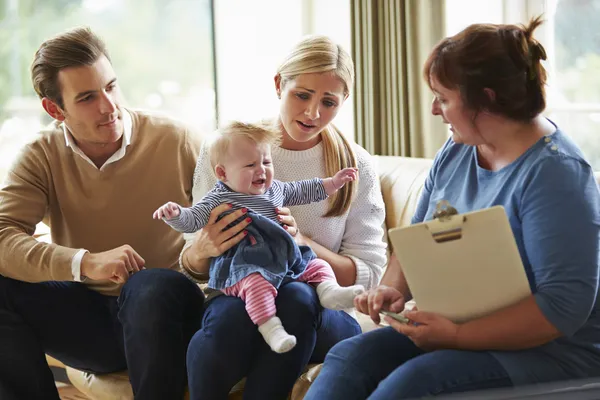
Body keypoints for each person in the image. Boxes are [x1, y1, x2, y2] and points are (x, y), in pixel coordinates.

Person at [304, 16, 600, 399]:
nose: (433, 110)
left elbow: (561, 308)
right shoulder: (458, 149)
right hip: (460, 327)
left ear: (487, 98)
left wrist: (458, 335)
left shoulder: (556, 176)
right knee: (350, 357)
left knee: (411, 385)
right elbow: (416, 240)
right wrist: (391, 291)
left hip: (551, 351)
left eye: (444, 98)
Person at [0, 27, 205, 400]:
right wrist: (84, 262)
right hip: (93, 322)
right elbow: (2, 237)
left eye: (111, 87)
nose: (109, 106)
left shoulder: (177, 139)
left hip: (171, 313)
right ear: (54, 109)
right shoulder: (40, 156)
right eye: (88, 97)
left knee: (147, 285)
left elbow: (228, 205)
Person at [179, 35, 388, 399]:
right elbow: (194, 261)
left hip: (323, 310)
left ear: (343, 103)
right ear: (279, 85)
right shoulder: (228, 148)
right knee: (226, 318)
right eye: (302, 95)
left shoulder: (355, 166)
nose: (312, 113)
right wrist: (201, 249)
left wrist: (303, 243)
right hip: (243, 292)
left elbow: (369, 274)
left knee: (295, 297)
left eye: (328, 102)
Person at [154, 120, 365, 354]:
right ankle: (270, 327)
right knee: (256, 286)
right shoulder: (217, 199)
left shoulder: (275, 189)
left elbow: (304, 190)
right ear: (223, 173)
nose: (262, 170)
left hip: (283, 257)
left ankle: (329, 292)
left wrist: (334, 183)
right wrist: (174, 214)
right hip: (245, 264)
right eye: (250, 165)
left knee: (317, 264)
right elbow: (192, 220)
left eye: (266, 162)